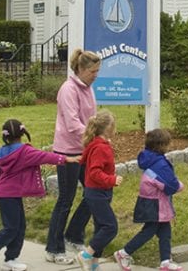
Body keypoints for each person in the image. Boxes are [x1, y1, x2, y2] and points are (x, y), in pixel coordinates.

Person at [0, 119, 79, 271]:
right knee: (11, 228)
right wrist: (68, 158)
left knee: (19, 226)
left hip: (5, 194)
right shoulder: (24, 151)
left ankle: (11, 258)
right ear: (22, 133)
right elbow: (45, 156)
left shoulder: (1, 151)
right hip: (9, 194)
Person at [44, 48, 101, 264]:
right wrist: (95, 136)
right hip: (68, 152)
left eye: (98, 71)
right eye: (93, 71)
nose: (96, 75)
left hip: (85, 149)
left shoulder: (88, 88)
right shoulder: (68, 89)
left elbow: (91, 118)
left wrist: (96, 137)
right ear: (81, 69)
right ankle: (53, 249)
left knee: (93, 194)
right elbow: (72, 123)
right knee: (65, 200)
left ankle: (73, 234)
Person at [114, 128, 185, 271]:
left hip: (152, 202)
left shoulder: (151, 159)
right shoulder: (160, 164)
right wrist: (180, 185)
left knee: (165, 231)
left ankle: (165, 261)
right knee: (149, 231)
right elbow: (170, 185)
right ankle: (124, 253)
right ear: (162, 145)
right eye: (168, 144)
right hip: (155, 205)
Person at [76, 110, 122, 271]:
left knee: (100, 227)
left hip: (98, 192)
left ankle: (94, 264)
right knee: (110, 227)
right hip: (97, 193)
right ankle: (85, 255)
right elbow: (95, 172)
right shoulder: (101, 148)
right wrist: (112, 180)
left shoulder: (96, 144)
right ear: (109, 127)